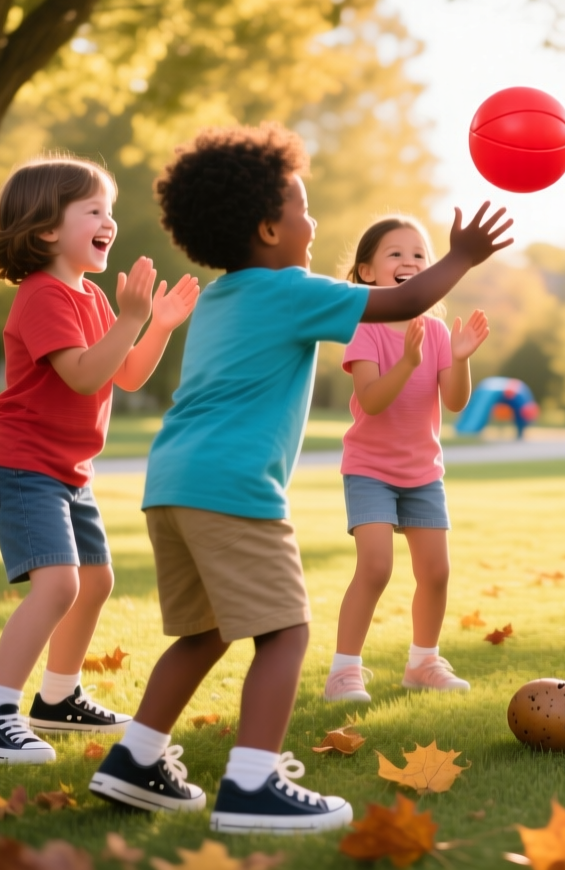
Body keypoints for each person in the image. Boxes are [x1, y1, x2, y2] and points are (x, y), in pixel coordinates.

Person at [86, 124, 513, 833]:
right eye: (301, 208)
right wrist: (462, 256)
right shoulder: (288, 290)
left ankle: (135, 758)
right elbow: (402, 304)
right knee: (285, 633)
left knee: (203, 633)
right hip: (233, 488)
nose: (313, 222)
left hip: (172, 481)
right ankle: (253, 785)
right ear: (265, 228)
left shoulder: (225, 297)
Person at [0, 156, 199, 764]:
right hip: (21, 464)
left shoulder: (91, 297)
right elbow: (83, 374)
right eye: (93, 209)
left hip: (68, 470)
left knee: (95, 581)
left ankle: (58, 698)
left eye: (109, 211)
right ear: (45, 230)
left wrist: (158, 326)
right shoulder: (43, 297)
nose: (108, 221)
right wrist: (133, 317)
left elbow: (129, 374)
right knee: (60, 583)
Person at [324, 216, 490, 703]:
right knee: (375, 567)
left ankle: (423, 662)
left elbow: (455, 403)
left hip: (422, 473)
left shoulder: (436, 332)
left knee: (436, 573)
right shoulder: (366, 328)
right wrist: (409, 363)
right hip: (370, 469)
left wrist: (458, 358)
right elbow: (372, 400)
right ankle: (344, 671)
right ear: (366, 272)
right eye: (395, 254)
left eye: (419, 254)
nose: (410, 262)